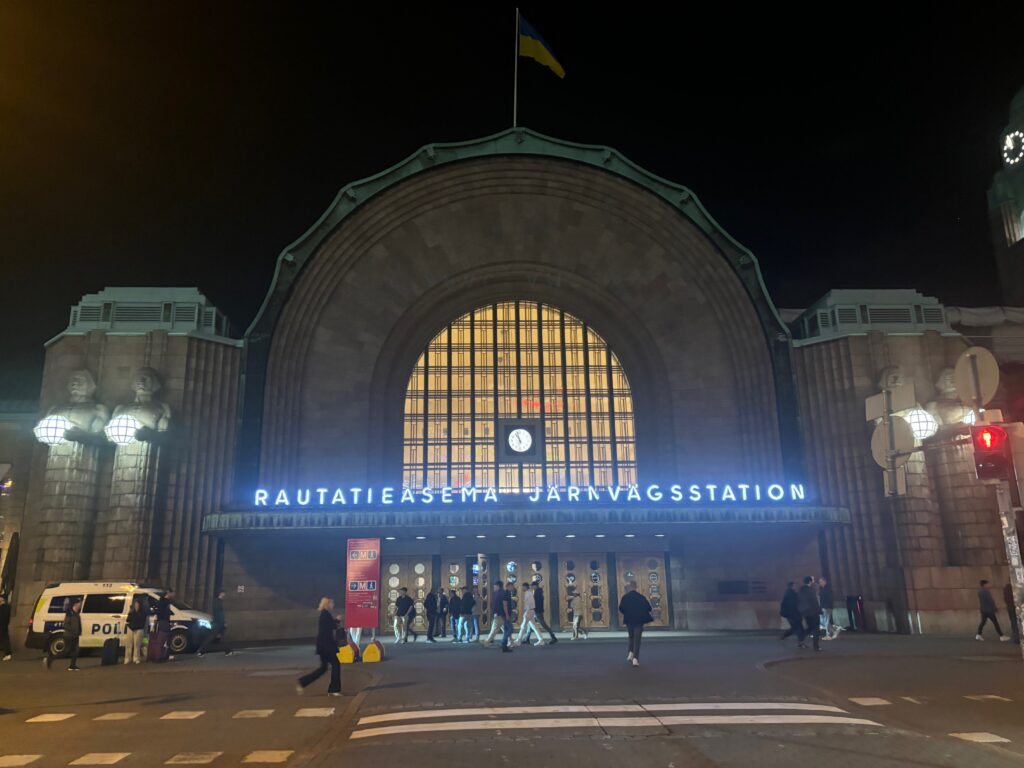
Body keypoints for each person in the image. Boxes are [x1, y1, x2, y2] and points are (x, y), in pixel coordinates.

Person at [296, 597, 342, 696]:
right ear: (327, 604)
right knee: (336, 665)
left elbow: (330, 627)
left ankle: (303, 682)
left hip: (323, 646)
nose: (333, 605)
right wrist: (337, 620)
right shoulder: (325, 615)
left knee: (323, 668)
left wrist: (336, 622)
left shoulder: (324, 614)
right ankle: (334, 689)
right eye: (332, 603)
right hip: (327, 646)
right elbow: (330, 627)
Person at [618, 580, 652, 667]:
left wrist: (627, 613)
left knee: (631, 637)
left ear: (629, 587)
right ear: (636, 587)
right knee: (637, 639)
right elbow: (649, 608)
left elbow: (621, 608)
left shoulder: (625, 597)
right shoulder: (641, 597)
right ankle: (635, 658)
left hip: (629, 620)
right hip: (639, 620)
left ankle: (630, 653)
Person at [46, 597, 82, 671]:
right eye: (79, 603)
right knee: (66, 651)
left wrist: (79, 631)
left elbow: (79, 624)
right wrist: (72, 631)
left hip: (75, 635)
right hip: (69, 635)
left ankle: (72, 666)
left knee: (76, 651)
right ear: (75, 604)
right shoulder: (69, 613)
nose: (80, 605)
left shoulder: (76, 614)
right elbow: (66, 625)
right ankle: (51, 658)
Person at [197, 589, 234, 657]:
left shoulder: (216, 601)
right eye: (223, 593)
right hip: (218, 623)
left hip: (217, 623)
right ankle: (201, 651)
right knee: (212, 637)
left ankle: (228, 651)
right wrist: (223, 622)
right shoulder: (218, 602)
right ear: (220, 593)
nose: (224, 594)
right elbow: (219, 613)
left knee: (220, 638)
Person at [515, 582, 545, 647]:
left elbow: (528, 604)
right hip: (531, 611)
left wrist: (526, 612)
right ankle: (541, 640)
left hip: (529, 611)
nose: (522, 588)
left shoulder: (527, 593)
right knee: (534, 627)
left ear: (525, 587)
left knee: (523, 627)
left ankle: (518, 641)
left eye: (523, 587)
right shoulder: (530, 593)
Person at [797, 576, 821, 651]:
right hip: (813, 612)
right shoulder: (811, 590)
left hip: (805, 613)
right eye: (812, 581)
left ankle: (800, 639)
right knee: (816, 629)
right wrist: (819, 610)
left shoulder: (801, 590)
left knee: (810, 628)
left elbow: (799, 601)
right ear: (810, 581)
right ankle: (816, 646)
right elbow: (814, 601)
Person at [530, 579, 558, 644]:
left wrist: (534, 609)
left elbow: (537, 603)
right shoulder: (538, 592)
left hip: (538, 611)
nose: (532, 587)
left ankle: (553, 637)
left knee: (543, 624)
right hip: (538, 610)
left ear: (535, 586)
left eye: (532, 586)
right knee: (530, 624)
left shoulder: (537, 592)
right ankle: (527, 638)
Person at [481, 581, 506, 645]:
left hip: (499, 614)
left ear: (498, 586)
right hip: (502, 614)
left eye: (494, 586)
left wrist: (495, 613)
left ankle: (487, 641)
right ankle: (510, 641)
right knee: (504, 628)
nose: (493, 588)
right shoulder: (502, 593)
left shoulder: (498, 594)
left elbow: (497, 605)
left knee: (494, 628)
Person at [123, 597, 147, 664]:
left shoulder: (142, 612)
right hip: (131, 628)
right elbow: (128, 619)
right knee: (129, 644)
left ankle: (136, 658)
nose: (136, 605)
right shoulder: (131, 611)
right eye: (135, 603)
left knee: (137, 644)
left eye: (138, 603)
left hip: (139, 628)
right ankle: (127, 658)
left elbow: (143, 620)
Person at [497, 581, 513, 653]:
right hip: (505, 614)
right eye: (511, 586)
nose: (512, 588)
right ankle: (503, 644)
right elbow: (505, 605)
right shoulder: (506, 594)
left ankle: (504, 645)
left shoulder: (508, 593)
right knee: (510, 629)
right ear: (507, 586)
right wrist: (507, 615)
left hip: (505, 614)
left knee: (506, 629)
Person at [0, 594, 12, 661]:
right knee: (5, 639)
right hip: (4, 625)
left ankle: (8, 653)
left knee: (4, 639)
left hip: (2, 625)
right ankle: (8, 653)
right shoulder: (7, 607)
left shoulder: (3, 607)